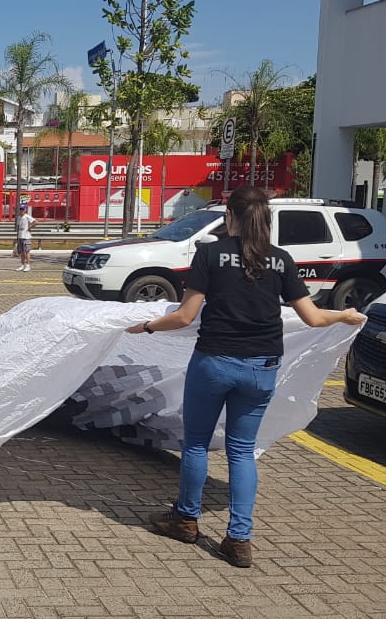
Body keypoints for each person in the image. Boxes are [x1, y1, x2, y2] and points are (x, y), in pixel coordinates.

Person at [125, 186, 364, 568]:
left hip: (214, 363)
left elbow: (185, 316)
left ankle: (186, 520)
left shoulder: (209, 254)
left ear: (230, 217)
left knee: (196, 444)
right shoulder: (281, 259)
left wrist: (147, 326)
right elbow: (313, 317)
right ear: (265, 219)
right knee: (241, 450)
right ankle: (239, 539)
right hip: (261, 368)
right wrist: (345, 315)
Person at [15, 204, 36, 272]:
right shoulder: (19, 217)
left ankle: (28, 265)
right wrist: (17, 236)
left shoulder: (27, 216)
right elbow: (18, 227)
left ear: (25, 210)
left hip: (26, 237)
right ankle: (22, 265)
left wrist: (29, 228)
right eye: (20, 209)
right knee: (21, 252)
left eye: (22, 209)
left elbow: (36, 222)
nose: (21, 211)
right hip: (20, 236)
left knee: (27, 251)